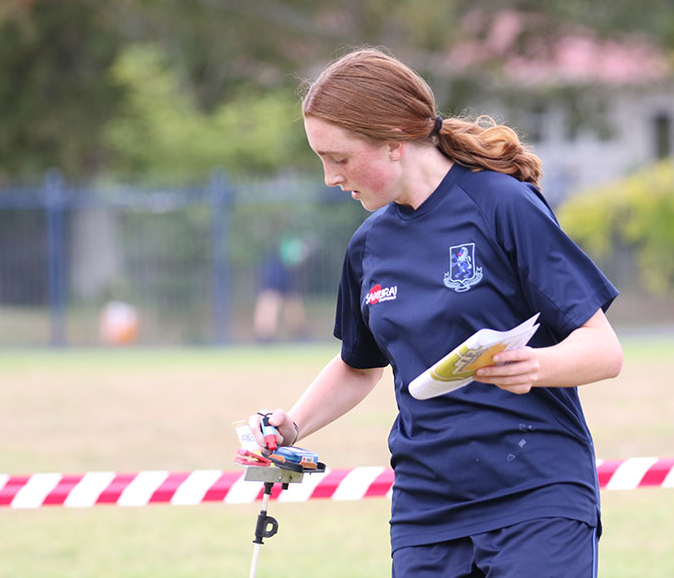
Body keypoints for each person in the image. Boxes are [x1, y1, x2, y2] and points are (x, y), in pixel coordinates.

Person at [246, 48, 623, 577]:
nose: (329, 177)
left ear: (394, 141)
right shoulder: (368, 245)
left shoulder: (503, 205)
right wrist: (291, 427)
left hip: (537, 496)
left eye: (340, 158)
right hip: (427, 510)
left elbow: (604, 350)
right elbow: (359, 365)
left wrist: (533, 366)